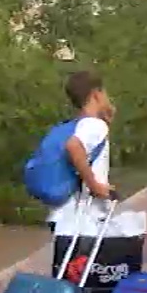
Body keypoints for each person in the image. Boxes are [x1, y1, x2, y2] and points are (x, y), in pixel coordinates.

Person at [46, 70, 115, 233]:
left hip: (64, 215)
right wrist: (95, 186)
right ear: (96, 94)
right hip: (83, 217)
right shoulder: (95, 125)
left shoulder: (73, 125)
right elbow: (74, 146)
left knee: (66, 258)